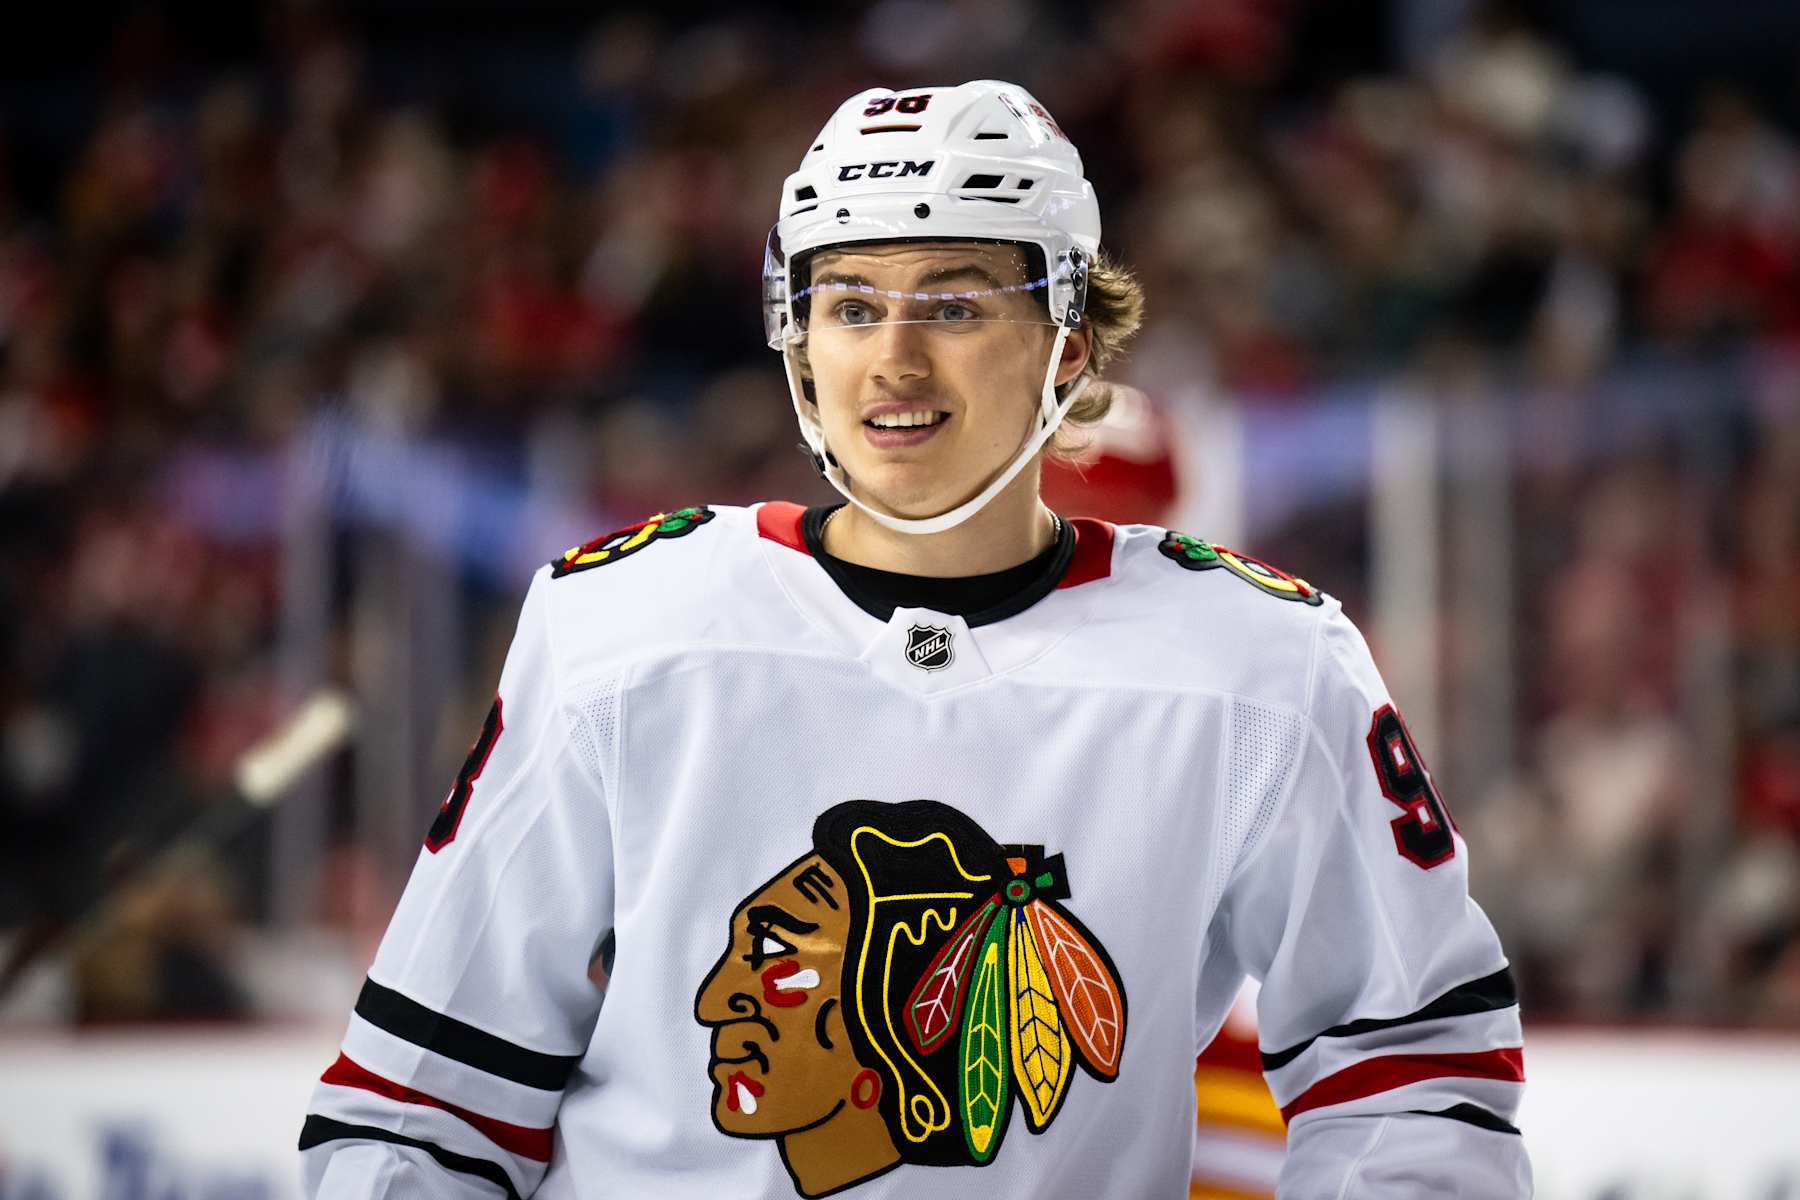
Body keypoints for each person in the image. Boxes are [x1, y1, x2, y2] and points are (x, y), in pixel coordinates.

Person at [300, 80, 1531, 1198]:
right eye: (850, 304)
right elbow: (420, 1111)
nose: (893, 359)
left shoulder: (1265, 668)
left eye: (953, 301)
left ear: (1069, 343)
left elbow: (1415, 1082)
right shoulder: (621, 629)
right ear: (798, 336)